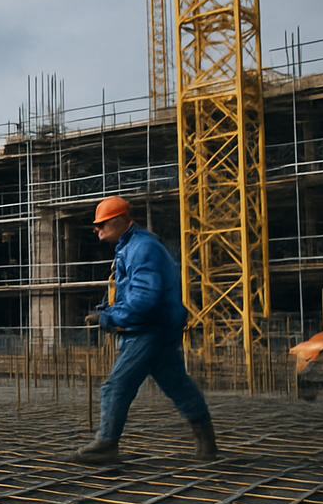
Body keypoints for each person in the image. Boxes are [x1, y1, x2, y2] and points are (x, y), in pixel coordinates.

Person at [69, 195, 217, 464]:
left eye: (101, 224)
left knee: (116, 386)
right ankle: (207, 443)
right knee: (177, 384)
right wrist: (106, 309)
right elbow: (128, 292)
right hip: (157, 327)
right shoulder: (131, 247)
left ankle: (107, 444)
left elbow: (145, 299)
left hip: (147, 329)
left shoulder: (142, 248)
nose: (96, 230)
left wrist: (106, 318)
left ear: (118, 221)